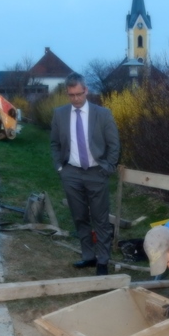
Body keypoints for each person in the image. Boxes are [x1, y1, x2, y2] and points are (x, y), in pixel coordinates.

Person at [51, 72, 121, 276]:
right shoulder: (60, 114)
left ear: (86, 91)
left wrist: (108, 167)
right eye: (71, 95)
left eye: (79, 94)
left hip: (97, 172)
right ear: (67, 93)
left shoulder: (103, 114)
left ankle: (103, 261)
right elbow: (54, 143)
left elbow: (114, 144)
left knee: (100, 219)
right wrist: (60, 168)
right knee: (79, 217)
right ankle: (88, 256)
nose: (76, 99)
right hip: (71, 173)